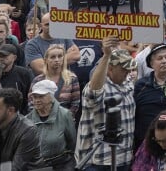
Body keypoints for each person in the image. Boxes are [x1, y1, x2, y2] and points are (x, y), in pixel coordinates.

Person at [75, 40, 136, 171]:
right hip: (98, 161)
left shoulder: (128, 83)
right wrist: (106, 56)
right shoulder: (99, 86)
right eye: (123, 68)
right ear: (110, 68)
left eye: (129, 67)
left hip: (124, 158)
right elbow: (93, 92)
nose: (128, 71)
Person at [24, 79, 76, 171]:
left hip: (61, 165)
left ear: (51, 96)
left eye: (41, 96)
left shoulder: (65, 115)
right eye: (35, 97)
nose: (37, 100)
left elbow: (72, 143)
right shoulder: (27, 119)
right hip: (37, 166)